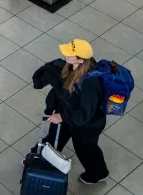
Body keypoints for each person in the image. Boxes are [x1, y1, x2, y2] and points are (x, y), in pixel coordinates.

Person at [32, 40, 110, 186]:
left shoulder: (90, 82)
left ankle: (98, 173)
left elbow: (85, 114)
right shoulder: (73, 66)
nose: (65, 53)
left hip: (87, 124)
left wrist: (62, 116)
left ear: (80, 60)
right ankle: (37, 158)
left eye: (70, 53)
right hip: (68, 111)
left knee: (85, 148)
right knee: (55, 136)